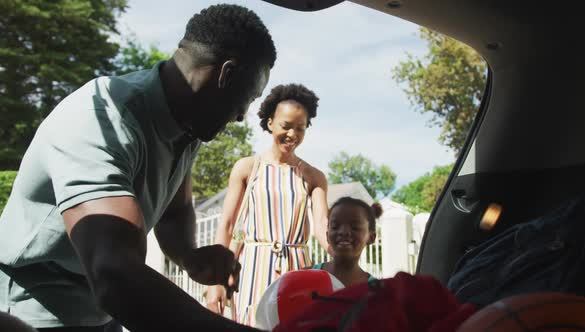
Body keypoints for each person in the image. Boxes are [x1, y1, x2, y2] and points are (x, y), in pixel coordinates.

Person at [0, 4, 276, 331]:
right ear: (226, 75)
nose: (242, 116)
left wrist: (190, 256)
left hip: (104, 315)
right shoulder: (103, 117)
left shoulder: (187, 128)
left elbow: (175, 210)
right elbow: (115, 275)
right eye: (250, 97)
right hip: (33, 312)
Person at [206, 83, 331, 325]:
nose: (292, 135)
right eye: (286, 126)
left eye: (300, 128)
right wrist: (216, 282)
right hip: (252, 269)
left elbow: (322, 227)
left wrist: (346, 261)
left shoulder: (314, 177)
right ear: (270, 122)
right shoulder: (247, 168)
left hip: (298, 273)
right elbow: (228, 226)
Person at [310, 197, 382, 286]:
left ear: (371, 237)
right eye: (335, 226)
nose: (343, 232)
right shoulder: (305, 277)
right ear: (327, 235)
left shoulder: (375, 291)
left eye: (355, 227)